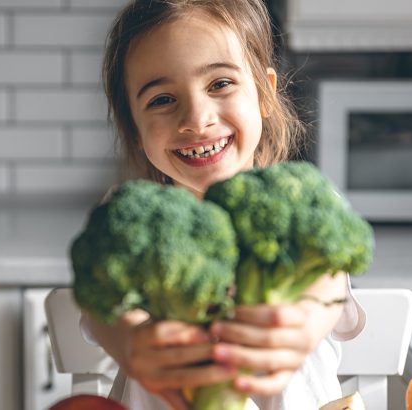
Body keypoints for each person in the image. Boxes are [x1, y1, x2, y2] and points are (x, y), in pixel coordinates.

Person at [80, 1, 366, 409]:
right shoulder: (130, 221)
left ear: (265, 93)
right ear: (135, 128)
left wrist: (304, 320)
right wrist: (129, 339)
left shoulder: (302, 205)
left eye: (220, 84)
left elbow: (331, 283)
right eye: (161, 99)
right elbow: (98, 309)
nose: (197, 119)